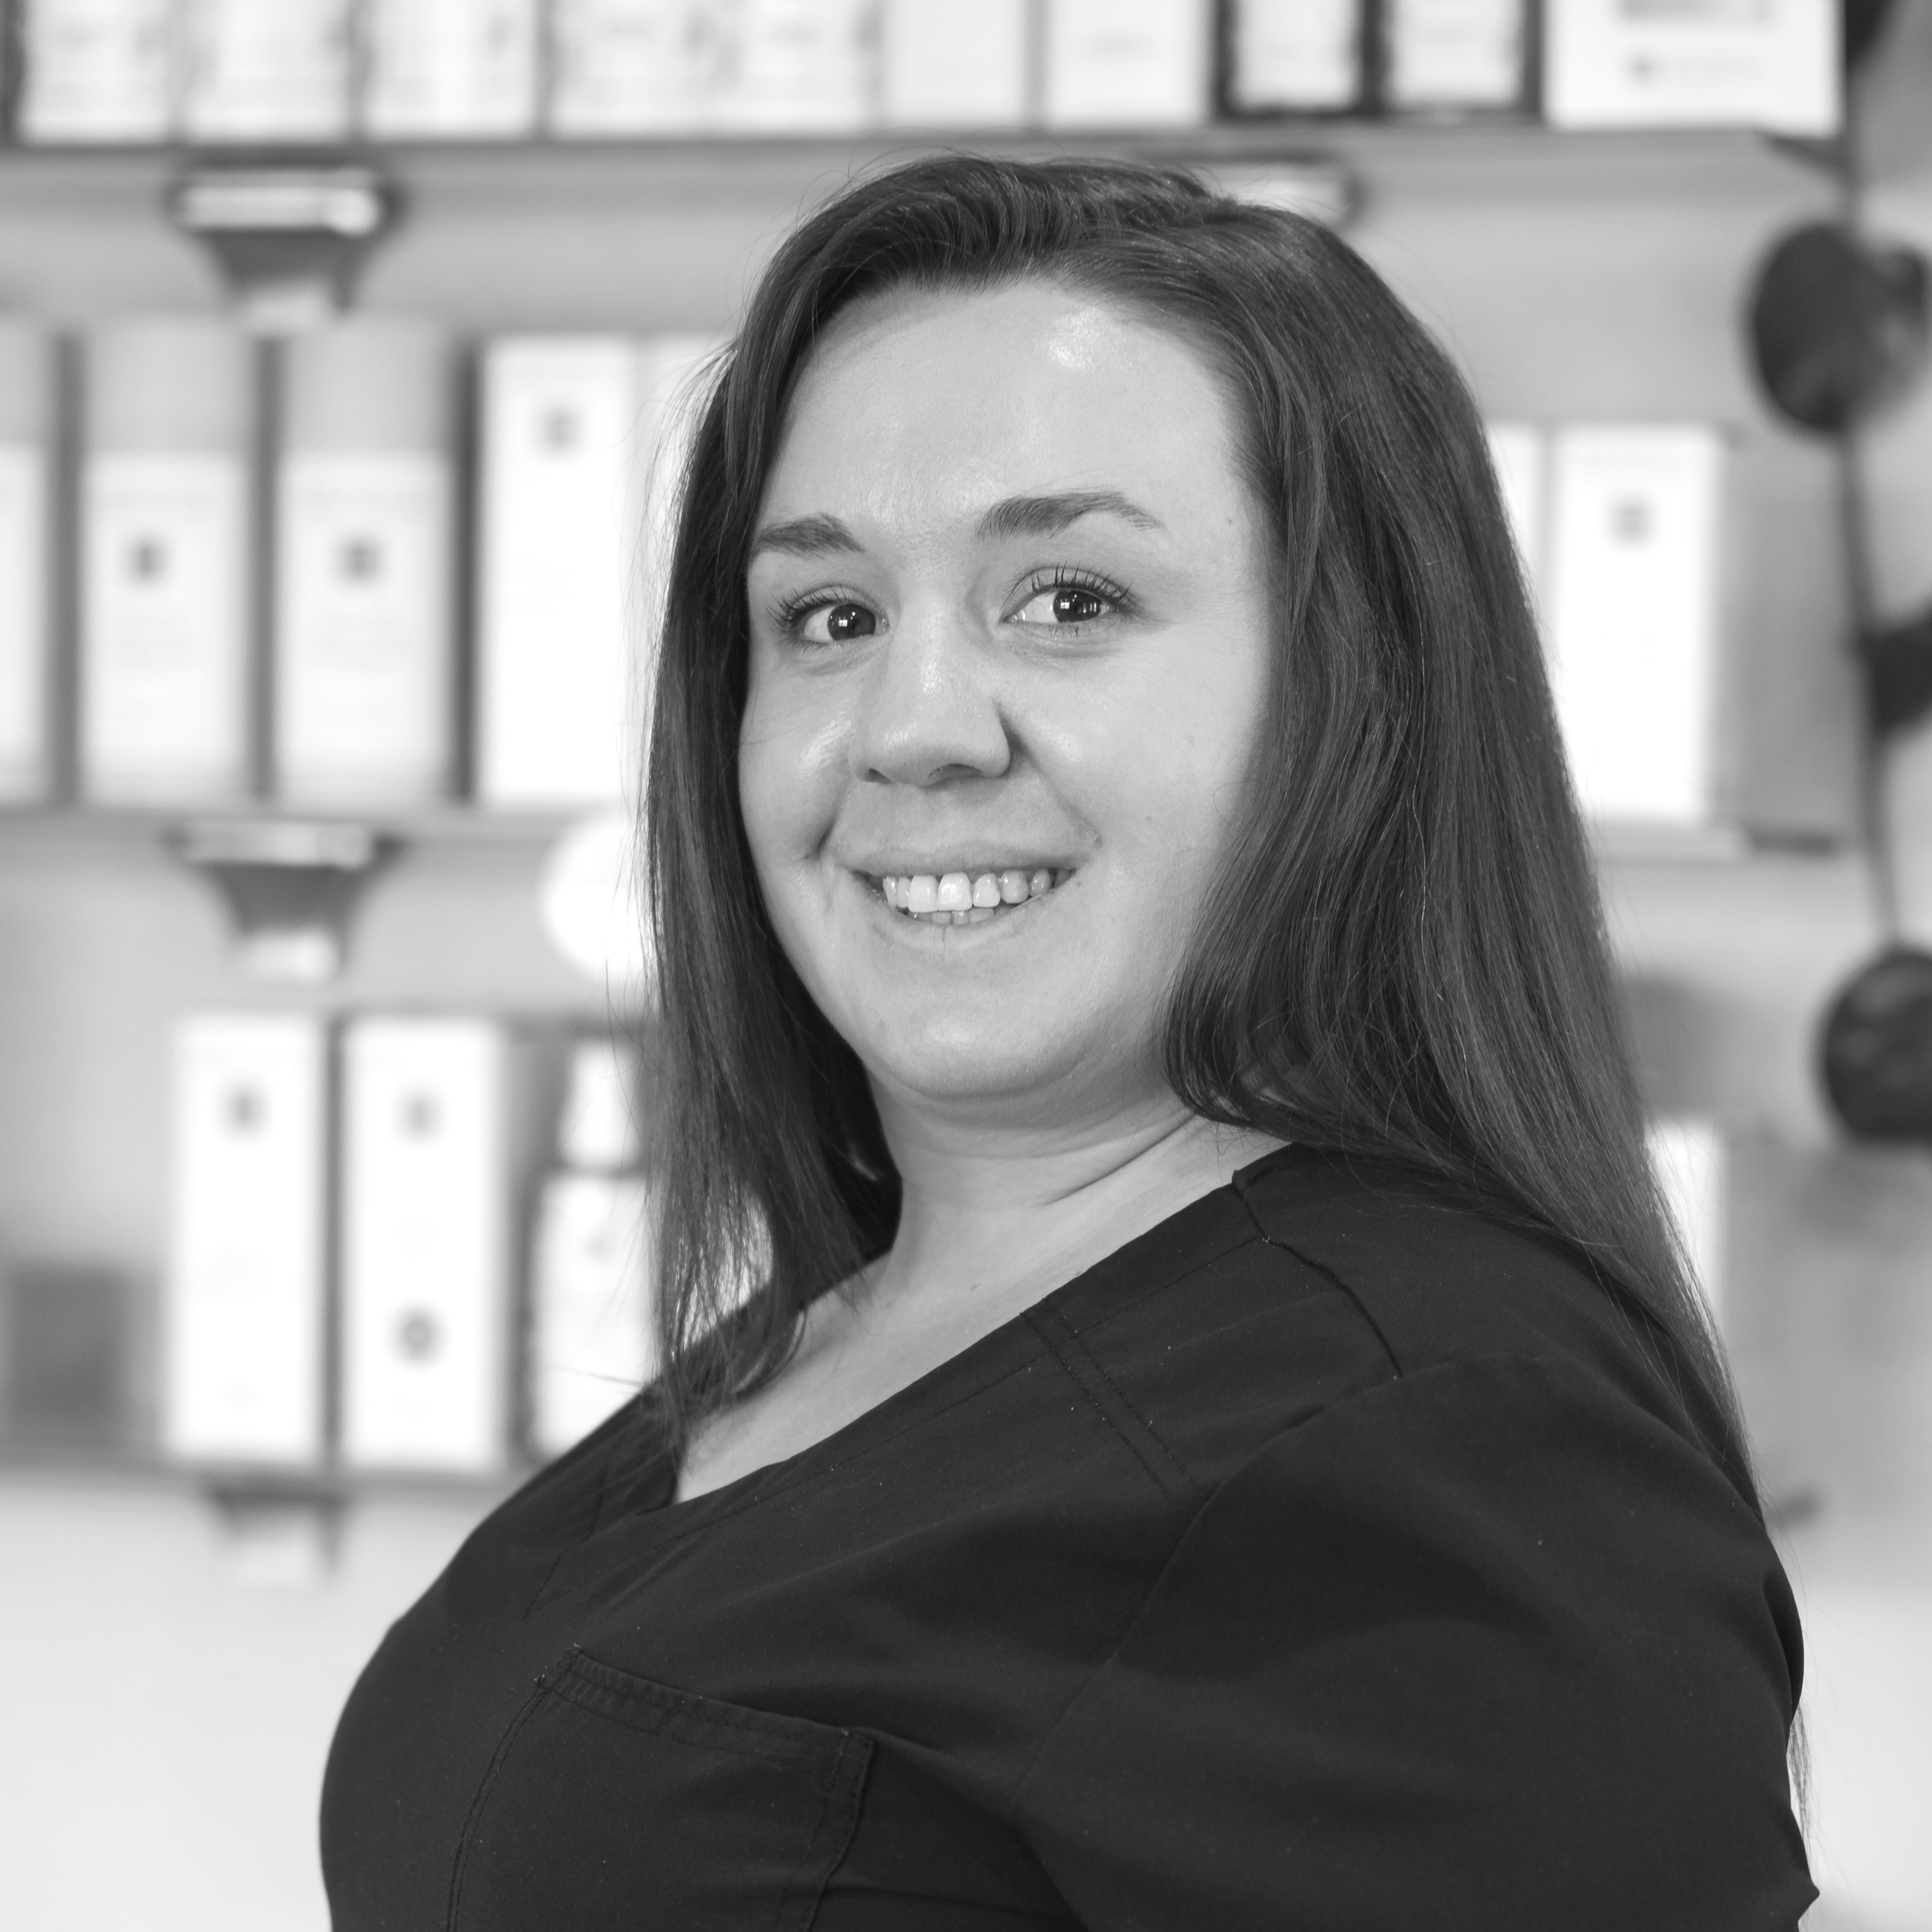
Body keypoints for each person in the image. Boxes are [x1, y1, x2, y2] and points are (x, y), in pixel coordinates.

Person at [321, 156, 1813, 1929]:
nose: (912, 727)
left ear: (1353, 691)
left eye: (1068, 598)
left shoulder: (1433, 1434)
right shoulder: (832, 1333)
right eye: (828, 615)